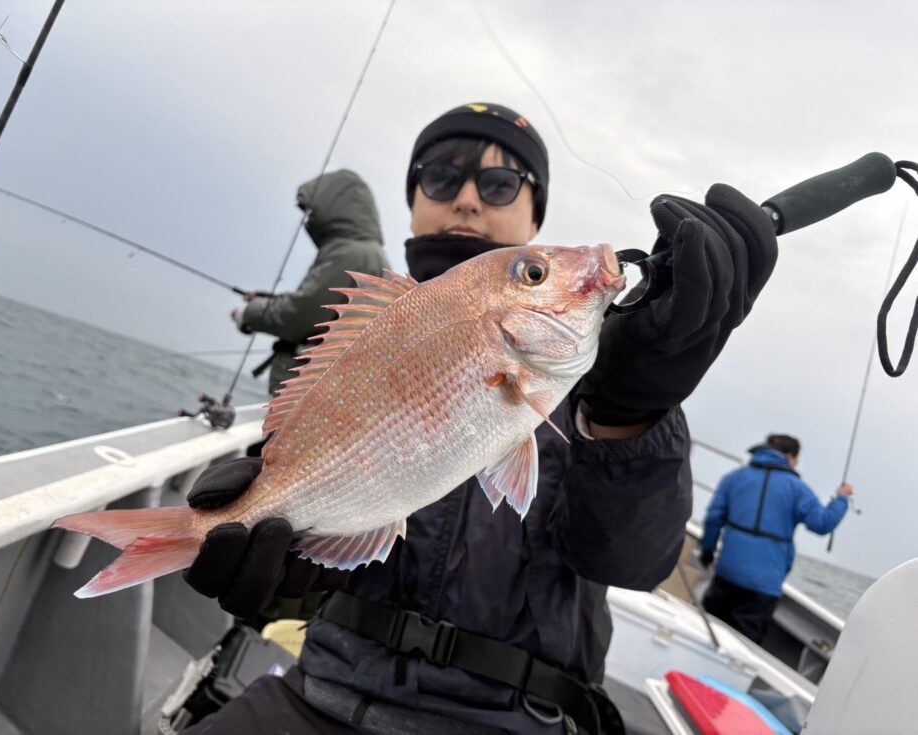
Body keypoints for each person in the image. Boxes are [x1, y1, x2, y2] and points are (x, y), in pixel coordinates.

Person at [182, 102, 779, 734]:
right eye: (441, 177)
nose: (467, 199)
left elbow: (632, 562)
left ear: (535, 212)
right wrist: (273, 568)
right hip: (321, 688)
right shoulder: (356, 344)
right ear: (413, 197)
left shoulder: (598, 377)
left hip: (521, 718)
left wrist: (632, 413)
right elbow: (299, 575)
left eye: (499, 184)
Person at [232, 169, 389, 395]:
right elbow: (324, 305)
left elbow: (303, 315)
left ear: (334, 206)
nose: (308, 217)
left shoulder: (350, 253)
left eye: (311, 210)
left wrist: (248, 314)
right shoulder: (365, 252)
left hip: (312, 394)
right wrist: (266, 299)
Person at [699, 434, 853, 644]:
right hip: (763, 586)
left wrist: (707, 552)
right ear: (790, 457)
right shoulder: (798, 489)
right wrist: (842, 499)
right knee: (741, 647)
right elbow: (822, 524)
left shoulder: (735, 477)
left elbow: (713, 520)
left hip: (727, 572)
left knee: (706, 633)